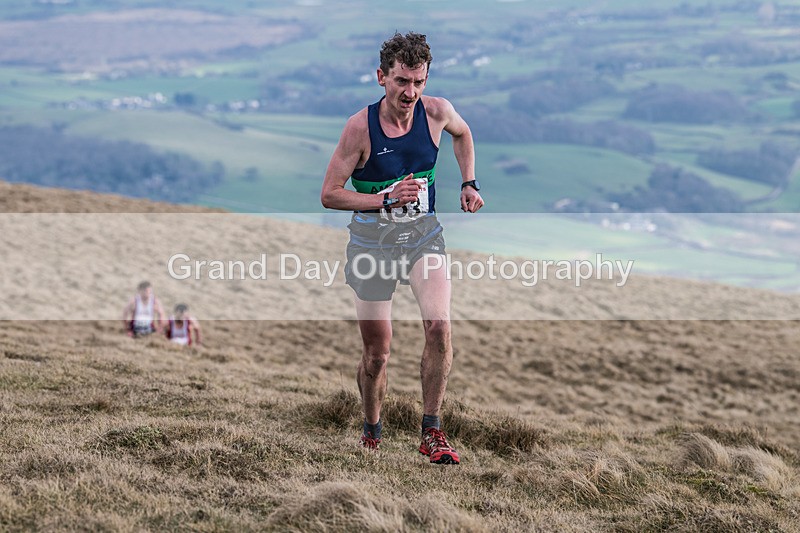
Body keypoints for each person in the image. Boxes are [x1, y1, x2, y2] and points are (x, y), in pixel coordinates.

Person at [320, 31, 484, 464]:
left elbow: (463, 135)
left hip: (423, 235)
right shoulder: (360, 128)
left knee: (439, 328)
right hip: (372, 243)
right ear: (381, 78)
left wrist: (468, 182)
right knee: (378, 353)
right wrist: (384, 200)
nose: (410, 92)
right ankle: (371, 431)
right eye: (401, 81)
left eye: (418, 81)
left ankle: (432, 431)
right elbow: (330, 194)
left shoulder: (437, 112)